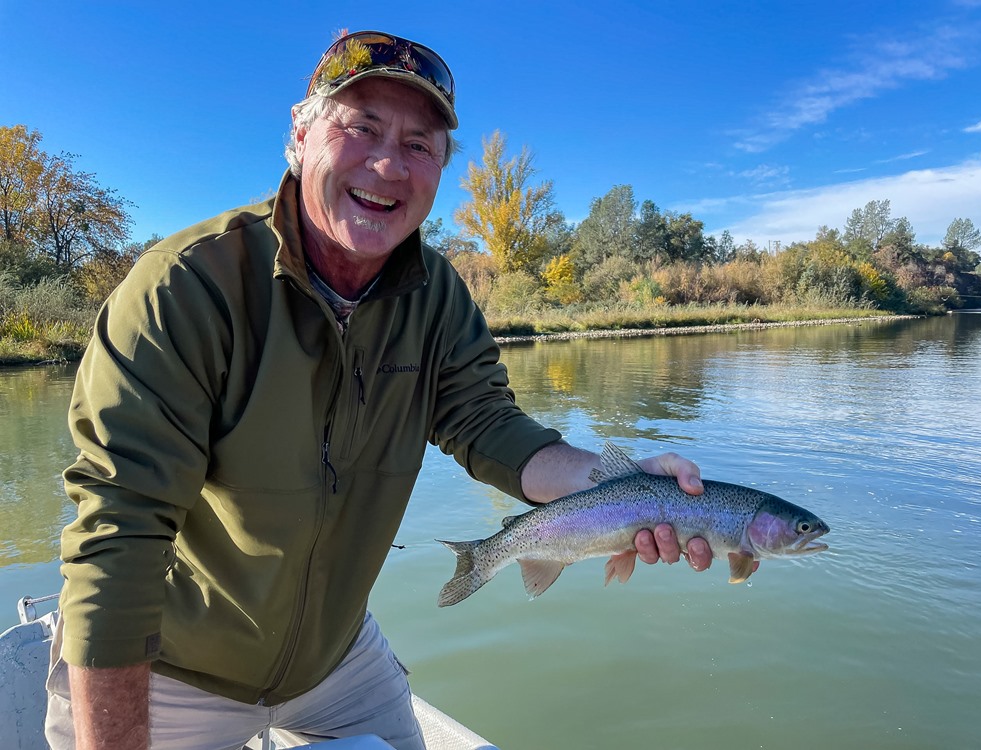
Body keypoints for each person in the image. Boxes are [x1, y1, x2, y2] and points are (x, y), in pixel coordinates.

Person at [45, 30, 723, 750]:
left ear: (439, 170)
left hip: (335, 664)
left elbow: (491, 428)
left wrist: (614, 486)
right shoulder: (183, 289)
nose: (387, 163)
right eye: (361, 127)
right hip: (172, 671)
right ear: (300, 137)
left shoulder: (440, 300)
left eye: (420, 144)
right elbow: (118, 540)